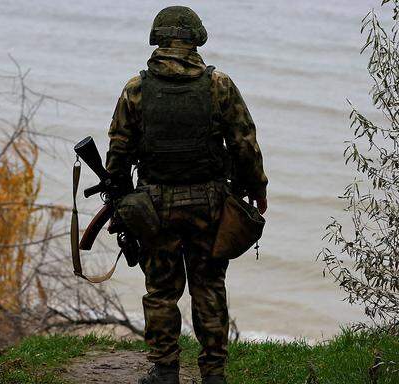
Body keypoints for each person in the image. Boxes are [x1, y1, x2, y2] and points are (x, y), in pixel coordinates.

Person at [105, 6, 268, 384]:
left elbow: (118, 155)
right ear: (197, 40)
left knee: (161, 290)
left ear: (157, 40)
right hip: (209, 207)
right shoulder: (219, 85)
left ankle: (165, 373)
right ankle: (213, 375)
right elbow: (245, 143)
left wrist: (122, 203)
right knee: (209, 287)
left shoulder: (136, 89)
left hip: (155, 208)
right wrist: (256, 188)